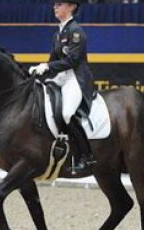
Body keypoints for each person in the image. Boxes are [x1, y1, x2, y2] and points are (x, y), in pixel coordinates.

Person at [29, 0, 95, 171]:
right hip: (61, 77)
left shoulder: (76, 32)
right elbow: (53, 60)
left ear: (72, 6)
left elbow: (72, 60)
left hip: (75, 78)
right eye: (55, 4)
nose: (55, 7)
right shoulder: (57, 34)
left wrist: (48, 67)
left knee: (66, 113)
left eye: (60, 4)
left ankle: (86, 156)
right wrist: (41, 68)